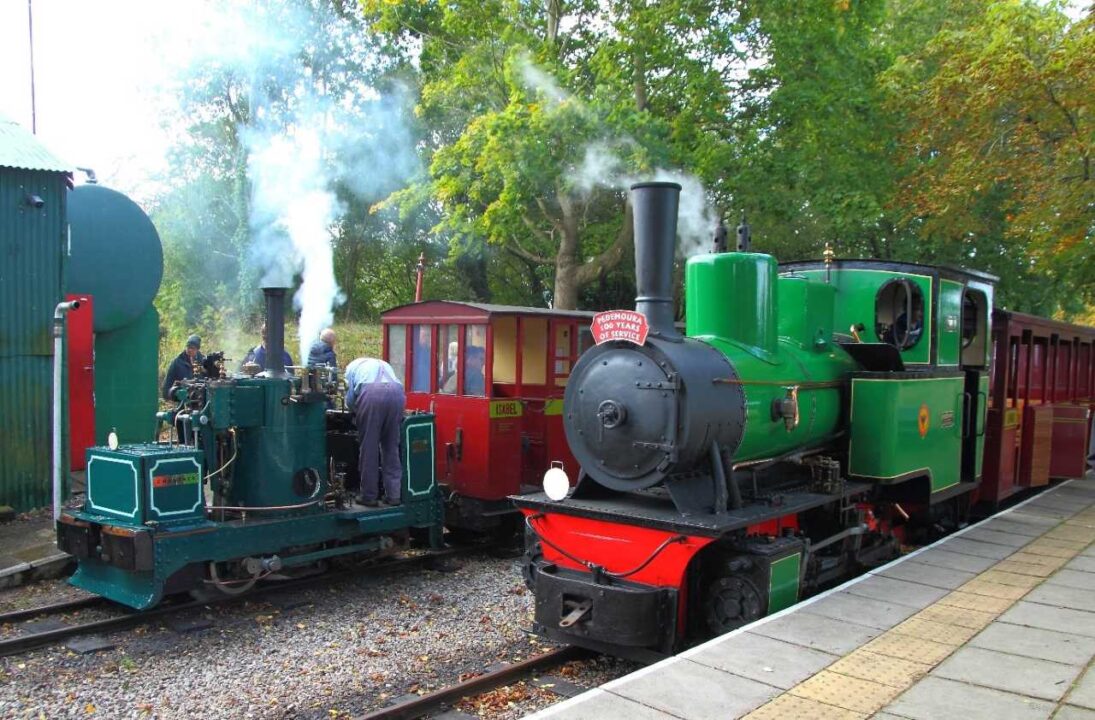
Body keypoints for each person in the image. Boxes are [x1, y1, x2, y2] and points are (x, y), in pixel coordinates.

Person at [344, 357, 406, 507]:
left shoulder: (351, 368)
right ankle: (394, 495)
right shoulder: (383, 364)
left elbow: (351, 398)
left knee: (369, 448)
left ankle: (369, 495)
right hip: (398, 393)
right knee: (391, 446)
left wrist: (353, 411)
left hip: (372, 394)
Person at [162, 335, 204, 400]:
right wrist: (172, 395)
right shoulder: (177, 362)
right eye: (188, 347)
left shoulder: (203, 361)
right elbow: (167, 385)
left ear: (197, 349)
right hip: (184, 400)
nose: (189, 350)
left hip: (201, 399)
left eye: (192, 348)